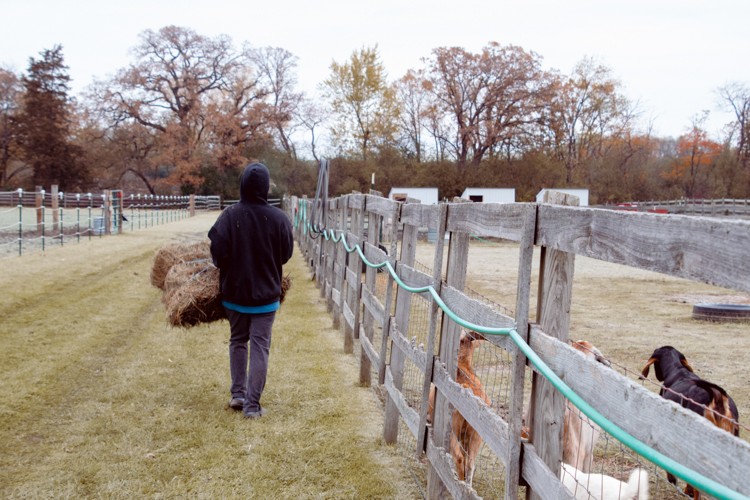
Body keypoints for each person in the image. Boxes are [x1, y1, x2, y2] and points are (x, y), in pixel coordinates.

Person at [208, 162, 294, 419]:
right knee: (259, 347)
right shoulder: (279, 219)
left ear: (243, 184)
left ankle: (238, 394)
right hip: (266, 298)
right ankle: (252, 406)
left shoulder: (228, 216)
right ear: (266, 187)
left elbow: (217, 253)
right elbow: (286, 255)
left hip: (234, 296)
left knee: (237, 341)